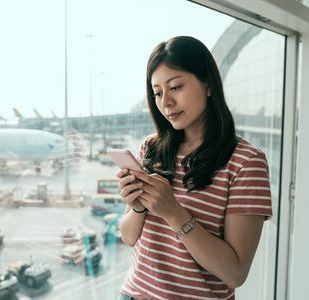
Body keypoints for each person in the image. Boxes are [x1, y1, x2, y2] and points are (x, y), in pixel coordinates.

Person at [116, 36, 272, 300]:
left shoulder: (246, 163)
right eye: (157, 93)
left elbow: (235, 273)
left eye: (175, 87)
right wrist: (138, 206)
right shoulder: (151, 149)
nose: (165, 102)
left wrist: (174, 212)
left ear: (208, 84)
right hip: (133, 294)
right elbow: (130, 237)